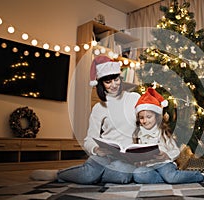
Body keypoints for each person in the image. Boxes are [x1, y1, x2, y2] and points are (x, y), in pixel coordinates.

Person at [30, 55, 140, 184]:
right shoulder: (99, 108)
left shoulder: (134, 98)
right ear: (101, 84)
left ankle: (91, 173)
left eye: (116, 79)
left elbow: (148, 123)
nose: (114, 85)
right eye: (108, 82)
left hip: (127, 158)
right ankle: (58, 174)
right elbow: (90, 138)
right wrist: (96, 149)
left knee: (122, 176)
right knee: (89, 175)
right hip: (106, 155)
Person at [132, 87, 204, 184]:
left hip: (164, 164)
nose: (145, 121)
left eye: (149, 117)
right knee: (138, 175)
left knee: (170, 176)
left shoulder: (162, 132)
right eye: (141, 118)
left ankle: (201, 177)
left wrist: (166, 156)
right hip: (148, 167)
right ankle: (169, 179)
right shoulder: (138, 134)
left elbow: (175, 152)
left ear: (157, 116)